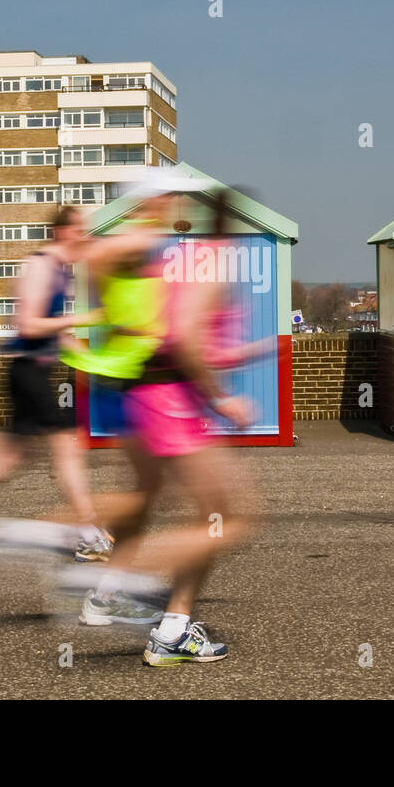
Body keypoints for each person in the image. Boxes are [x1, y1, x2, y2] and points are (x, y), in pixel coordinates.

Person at [54, 177, 259, 665]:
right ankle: (158, 617)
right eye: (170, 199)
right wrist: (222, 399)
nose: (175, 207)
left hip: (147, 395)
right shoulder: (191, 263)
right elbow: (184, 340)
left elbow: (180, 337)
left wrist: (228, 360)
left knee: (152, 502)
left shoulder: (172, 263)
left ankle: (112, 595)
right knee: (223, 519)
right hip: (168, 401)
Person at [0, 206, 112, 563]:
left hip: (32, 372)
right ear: (61, 232)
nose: (85, 237)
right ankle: (89, 534)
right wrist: (84, 317)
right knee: (66, 450)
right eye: (79, 230)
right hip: (25, 371)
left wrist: (97, 363)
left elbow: (57, 332)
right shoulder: (40, 266)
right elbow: (29, 325)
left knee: (6, 457)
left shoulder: (60, 271)